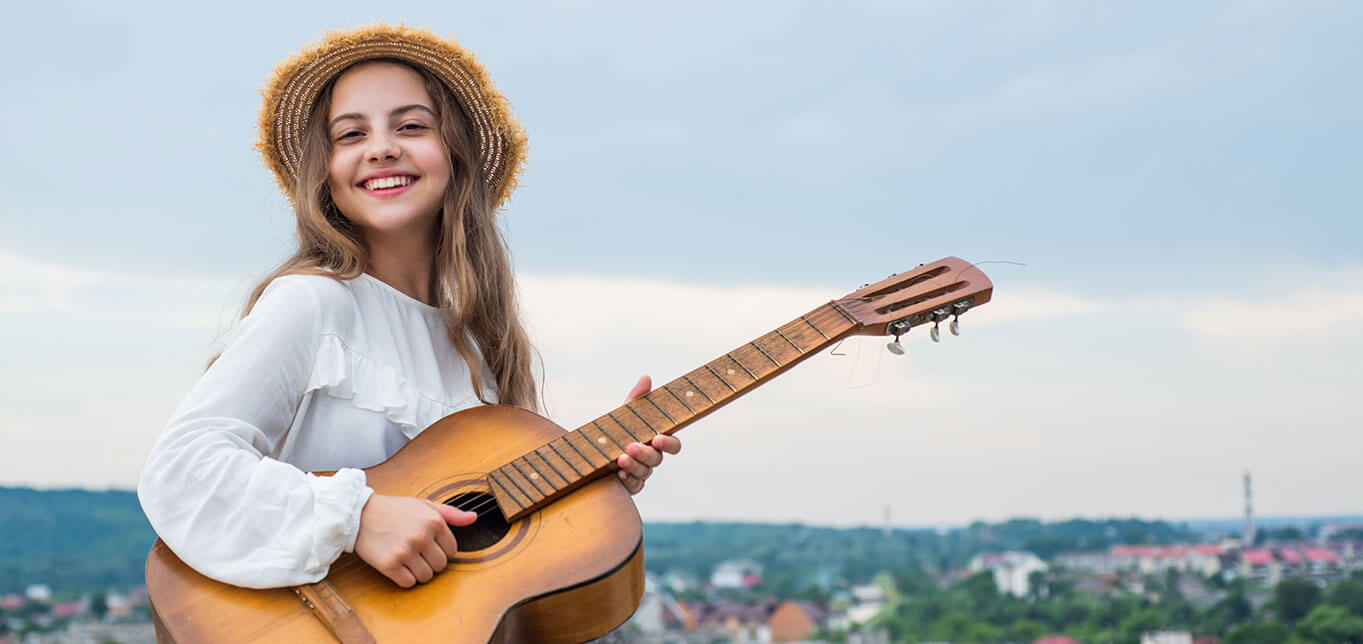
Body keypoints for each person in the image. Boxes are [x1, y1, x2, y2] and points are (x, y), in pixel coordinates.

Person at [137, 23, 681, 591]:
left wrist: (590, 481)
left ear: (455, 158)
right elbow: (181, 470)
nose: (381, 148)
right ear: (326, 176)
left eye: (412, 126)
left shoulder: (477, 353)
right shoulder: (314, 303)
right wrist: (358, 517)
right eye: (350, 135)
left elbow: (480, 549)